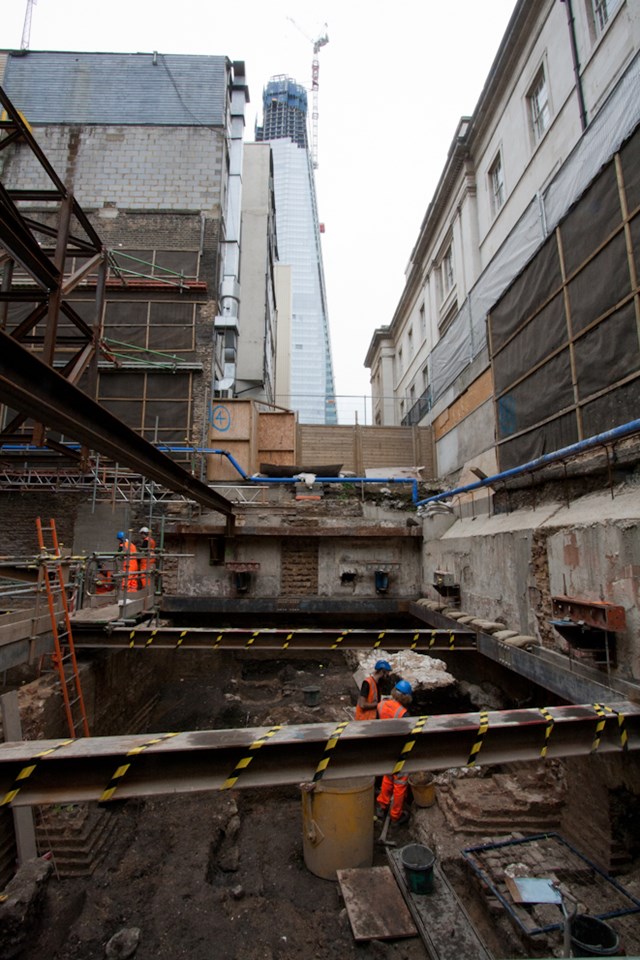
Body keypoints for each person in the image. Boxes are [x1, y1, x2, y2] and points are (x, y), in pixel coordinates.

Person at [375, 679, 413, 826]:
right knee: (399, 784)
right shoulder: (403, 713)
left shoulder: (381, 704)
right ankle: (395, 815)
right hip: (399, 752)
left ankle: (381, 805)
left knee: (387, 777)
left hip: (385, 749)